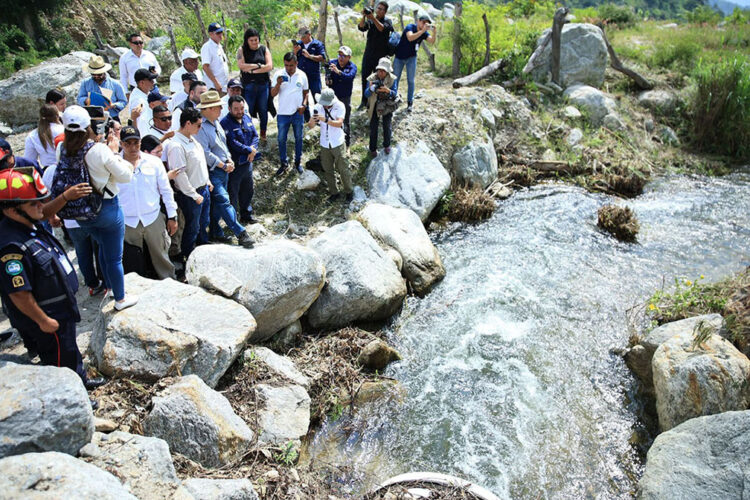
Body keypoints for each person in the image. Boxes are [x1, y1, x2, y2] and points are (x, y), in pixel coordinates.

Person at [0, 167, 105, 390]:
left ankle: (80, 380)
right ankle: (72, 397)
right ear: (11, 210)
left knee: (69, 350)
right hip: (48, 315)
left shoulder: (27, 222)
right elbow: (18, 293)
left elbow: (43, 211)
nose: (41, 206)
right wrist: (43, 321)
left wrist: (65, 197)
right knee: (59, 360)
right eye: (34, 203)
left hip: (60, 307)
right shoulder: (11, 246)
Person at [56, 105, 138, 311]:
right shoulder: (98, 150)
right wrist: (114, 152)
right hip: (107, 208)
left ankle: (109, 286)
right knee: (114, 257)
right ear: (89, 126)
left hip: (80, 212)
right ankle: (120, 298)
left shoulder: (61, 148)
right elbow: (125, 176)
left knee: (102, 244)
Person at [194, 91, 253, 248]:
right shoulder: (201, 127)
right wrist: (223, 164)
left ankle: (216, 232)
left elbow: (222, 145)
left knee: (218, 204)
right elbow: (205, 153)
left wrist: (229, 159)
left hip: (224, 169)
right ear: (209, 109)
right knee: (224, 201)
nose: (221, 109)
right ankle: (241, 233)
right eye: (218, 107)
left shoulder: (216, 123)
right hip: (213, 171)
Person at [117, 126, 178, 279]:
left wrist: (172, 216)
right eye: (127, 143)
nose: (132, 147)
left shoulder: (154, 162)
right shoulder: (114, 164)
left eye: (136, 143)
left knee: (162, 256)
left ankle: (169, 281)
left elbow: (166, 190)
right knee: (132, 260)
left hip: (152, 218)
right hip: (127, 221)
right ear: (121, 144)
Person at [164, 106, 210, 261]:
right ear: (188, 123)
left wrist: (207, 181)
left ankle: (202, 251)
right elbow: (180, 175)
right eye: (198, 125)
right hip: (190, 194)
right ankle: (188, 258)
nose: (200, 128)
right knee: (192, 228)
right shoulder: (176, 145)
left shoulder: (193, 140)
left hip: (203, 188)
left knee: (203, 223)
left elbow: (200, 163)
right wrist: (194, 194)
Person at [308, 89, 352, 202]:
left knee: (343, 169)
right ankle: (334, 193)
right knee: (328, 169)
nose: (325, 106)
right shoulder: (318, 107)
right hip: (324, 143)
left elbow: (339, 123)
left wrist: (325, 119)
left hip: (337, 142)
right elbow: (311, 126)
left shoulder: (340, 106)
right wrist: (313, 118)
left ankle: (349, 191)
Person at [221, 95, 259, 224]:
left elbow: (255, 136)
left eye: (241, 108)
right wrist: (249, 150)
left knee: (248, 190)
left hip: (247, 163)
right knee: (233, 192)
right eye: (236, 109)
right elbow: (232, 142)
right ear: (229, 109)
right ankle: (233, 221)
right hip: (235, 165)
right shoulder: (225, 123)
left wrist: (253, 149)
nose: (239, 111)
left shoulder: (247, 118)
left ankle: (246, 215)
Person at [271, 53, 309, 175]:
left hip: (298, 113)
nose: (288, 68)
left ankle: (298, 163)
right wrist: (278, 84)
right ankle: (284, 163)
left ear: (296, 63)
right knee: (281, 139)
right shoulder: (278, 74)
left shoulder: (302, 75)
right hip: (283, 113)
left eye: (291, 65)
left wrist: (304, 105)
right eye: (286, 65)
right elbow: (272, 94)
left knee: (299, 138)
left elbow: (306, 93)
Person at [393, 15, 436, 112]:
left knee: (411, 80)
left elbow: (431, 41)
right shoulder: (410, 27)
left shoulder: (424, 33)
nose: (424, 25)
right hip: (399, 57)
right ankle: (393, 99)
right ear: (418, 21)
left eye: (426, 23)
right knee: (395, 79)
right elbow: (410, 37)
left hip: (411, 58)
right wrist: (422, 31)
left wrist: (434, 32)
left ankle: (410, 102)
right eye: (423, 22)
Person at [236, 28, 273, 141]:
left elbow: (269, 66)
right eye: (251, 40)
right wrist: (258, 65)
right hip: (248, 85)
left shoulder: (264, 49)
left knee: (263, 110)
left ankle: (263, 134)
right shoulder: (242, 50)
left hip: (263, 85)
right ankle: (248, 134)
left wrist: (252, 70)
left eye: (256, 40)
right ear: (247, 40)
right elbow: (241, 66)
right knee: (248, 110)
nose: (254, 42)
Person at [358, 1, 394, 109]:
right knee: (365, 78)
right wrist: (364, 16)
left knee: (378, 79)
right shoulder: (371, 20)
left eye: (381, 9)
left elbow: (382, 28)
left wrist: (373, 18)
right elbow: (361, 27)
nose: (379, 10)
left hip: (380, 57)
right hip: (369, 54)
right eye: (378, 8)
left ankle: (376, 101)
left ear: (385, 11)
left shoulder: (387, 21)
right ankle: (364, 101)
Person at [364, 57, 399, 155]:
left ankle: (387, 145)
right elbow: (366, 94)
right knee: (373, 127)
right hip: (374, 104)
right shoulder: (371, 78)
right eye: (379, 70)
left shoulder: (392, 79)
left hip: (387, 105)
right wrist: (371, 89)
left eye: (383, 71)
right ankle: (372, 149)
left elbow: (395, 94)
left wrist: (388, 91)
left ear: (387, 71)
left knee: (387, 126)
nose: (380, 72)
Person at [77, 55, 128, 120]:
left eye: (99, 74)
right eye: (93, 74)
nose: (96, 76)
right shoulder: (85, 83)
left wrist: (114, 105)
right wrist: (86, 100)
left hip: (111, 117)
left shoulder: (115, 84)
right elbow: (79, 98)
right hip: (92, 118)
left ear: (104, 72)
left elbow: (123, 102)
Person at [326, 46, 357, 148]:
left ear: (349, 57)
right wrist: (328, 79)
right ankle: (331, 143)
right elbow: (327, 73)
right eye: (339, 55)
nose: (341, 58)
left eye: (343, 56)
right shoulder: (332, 63)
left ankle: (347, 145)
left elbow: (349, 77)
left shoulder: (352, 67)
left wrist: (338, 72)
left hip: (345, 97)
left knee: (345, 121)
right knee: (330, 118)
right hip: (333, 97)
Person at [293, 26, 326, 121]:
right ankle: (306, 119)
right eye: (300, 37)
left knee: (317, 97)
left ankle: (318, 118)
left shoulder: (317, 44)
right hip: (302, 76)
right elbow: (293, 59)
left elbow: (322, 58)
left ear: (309, 34)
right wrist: (295, 52)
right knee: (303, 97)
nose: (302, 39)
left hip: (313, 75)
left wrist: (310, 56)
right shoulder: (299, 44)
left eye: (303, 37)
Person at [24, 104, 65, 170]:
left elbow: (29, 161)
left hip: (48, 170)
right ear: (57, 116)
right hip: (67, 168)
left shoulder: (32, 136)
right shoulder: (64, 130)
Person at [128, 68, 158, 137]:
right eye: (150, 80)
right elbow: (141, 123)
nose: (153, 82)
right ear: (142, 83)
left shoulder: (145, 93)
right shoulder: (137, 100)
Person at [201, 22, 229, 94]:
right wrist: (216, 82)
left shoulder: (219, 46)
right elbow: (205, 67)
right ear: (211, 34)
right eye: (218, 33)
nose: (220, 35)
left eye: (221, 32)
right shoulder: (207, 47)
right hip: (214, 87)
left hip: (224, 86)